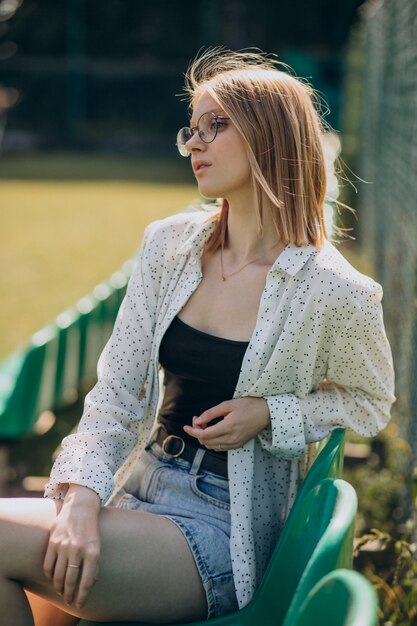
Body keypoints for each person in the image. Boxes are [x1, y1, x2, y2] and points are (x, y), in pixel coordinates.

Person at [0, 48, 395, 626]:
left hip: (219, 531)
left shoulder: (336, 289)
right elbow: (116, 390)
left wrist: (272, 412)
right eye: (193, 127)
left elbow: (369, 403)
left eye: (217, 126)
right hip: (131, 490)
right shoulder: (169, 244)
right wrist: (79, 498)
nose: (194, 143)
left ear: (272, 137)